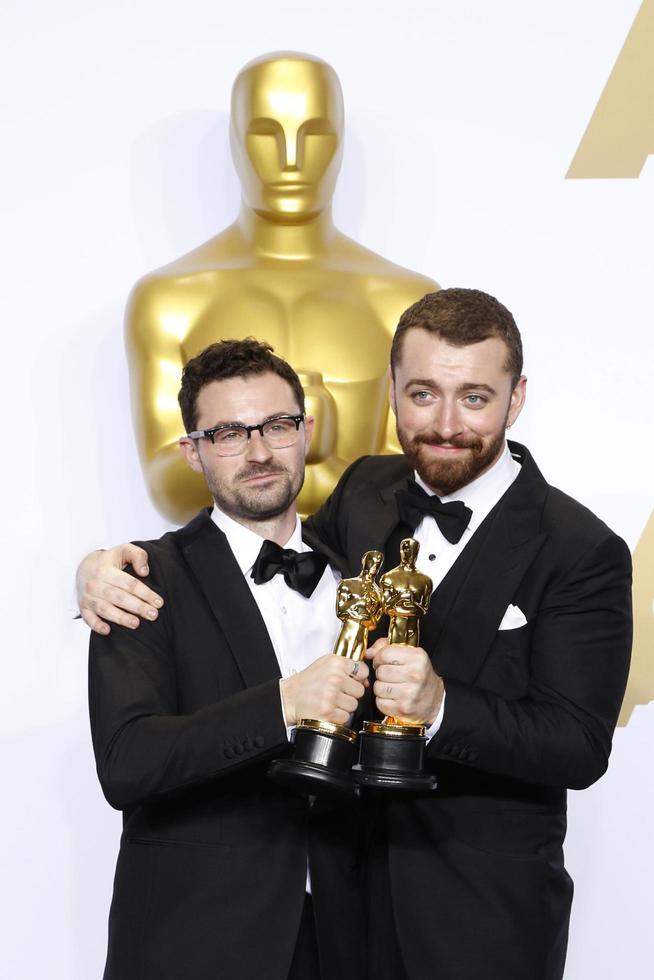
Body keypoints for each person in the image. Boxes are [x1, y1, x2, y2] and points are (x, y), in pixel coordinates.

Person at [79, 289, 632, 980]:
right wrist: (98, 570)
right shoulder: (367, 493)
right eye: (424, 394)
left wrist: (441, 708)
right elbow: (257, 556)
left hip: (477, 916)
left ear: (516, 399)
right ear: (392, 393)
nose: (447, 424)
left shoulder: (582, 550)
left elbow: (579, 745)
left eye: (476, 398)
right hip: (334, 912)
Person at [87, 338, 369, 980]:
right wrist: (283, 704)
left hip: (348, 938)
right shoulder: (140, 578)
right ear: (193, 451)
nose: (261, 451)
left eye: (277, 425)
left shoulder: (363, 572)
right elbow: (128, 764)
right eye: (229, 434)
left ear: (307, 431)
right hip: (194, 942)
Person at [125, 50, 437, 525]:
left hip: (375, 583)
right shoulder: (170, 300)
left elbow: (421, 480)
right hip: (219, 587)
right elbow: (167, 482)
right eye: (265, 134)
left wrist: (250, 456)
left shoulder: (403, 301)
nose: (291, 160)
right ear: (234, 141)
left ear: (339, 143)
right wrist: (298, 454)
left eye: (313, 134)